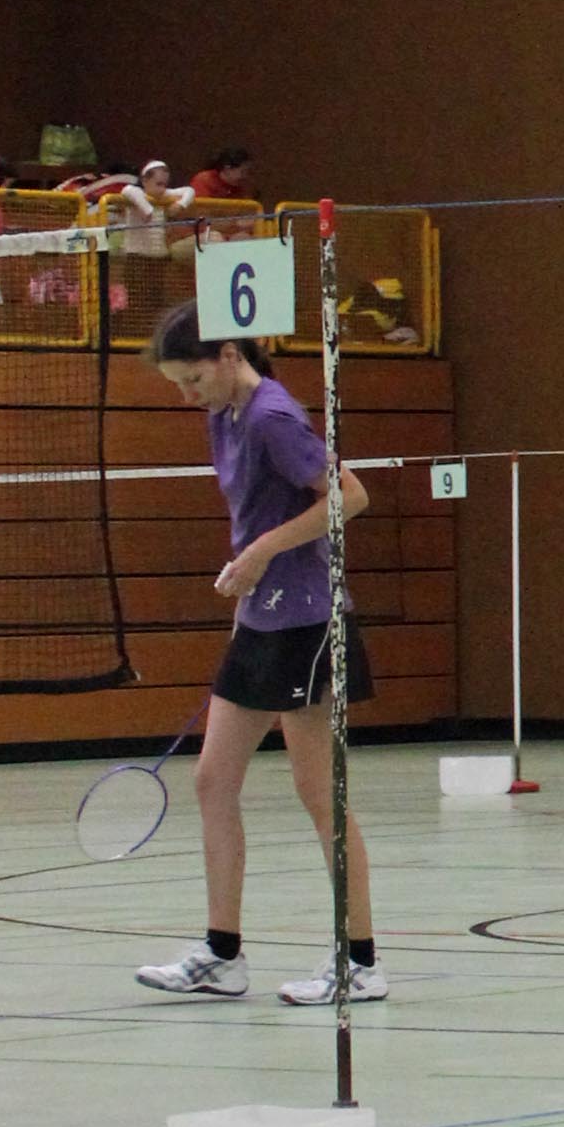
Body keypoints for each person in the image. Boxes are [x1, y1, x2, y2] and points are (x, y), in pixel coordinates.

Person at [132, 298, 383, 1008]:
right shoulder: (225, 413)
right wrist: (247, 567)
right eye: (179, 385)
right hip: (262, 620)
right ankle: (222, 955)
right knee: (213, 781)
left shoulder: (273, 416)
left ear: (229, 356)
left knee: (320, 793)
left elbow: (350, 497)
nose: (188, 396)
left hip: (309, 623)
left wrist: (263, 552)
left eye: (193, 380)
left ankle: (361, 963)